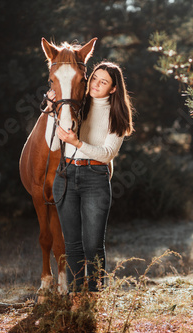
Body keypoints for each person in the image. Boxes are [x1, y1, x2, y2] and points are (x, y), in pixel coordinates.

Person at [49, 61, 134, 293]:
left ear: (114, 89)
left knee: (93, 245)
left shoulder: (118, 115)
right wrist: (51, 108)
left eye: (103, 81)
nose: (96, 84)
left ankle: (95, 298)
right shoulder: (77, 105)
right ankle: (77, 299)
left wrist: (77, 142)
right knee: (73, 245)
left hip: (95, 178)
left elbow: (107, 154)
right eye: (94, 78)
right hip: (66, 175)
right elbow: (54, 144)